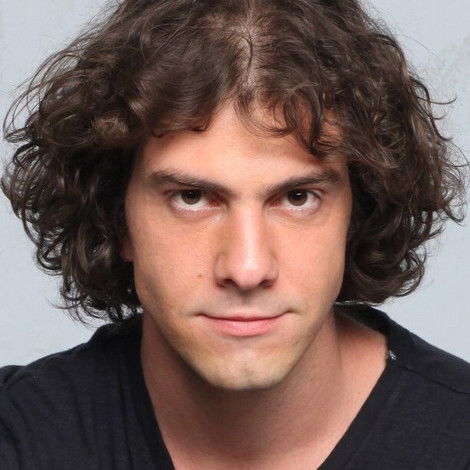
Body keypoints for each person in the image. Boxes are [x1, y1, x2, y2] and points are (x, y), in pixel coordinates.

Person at [1, 0, 469, 468]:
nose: (247, 269)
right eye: (191, 198)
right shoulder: (21, 437)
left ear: (358, 212)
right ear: (115, 215)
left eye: (298, 198)